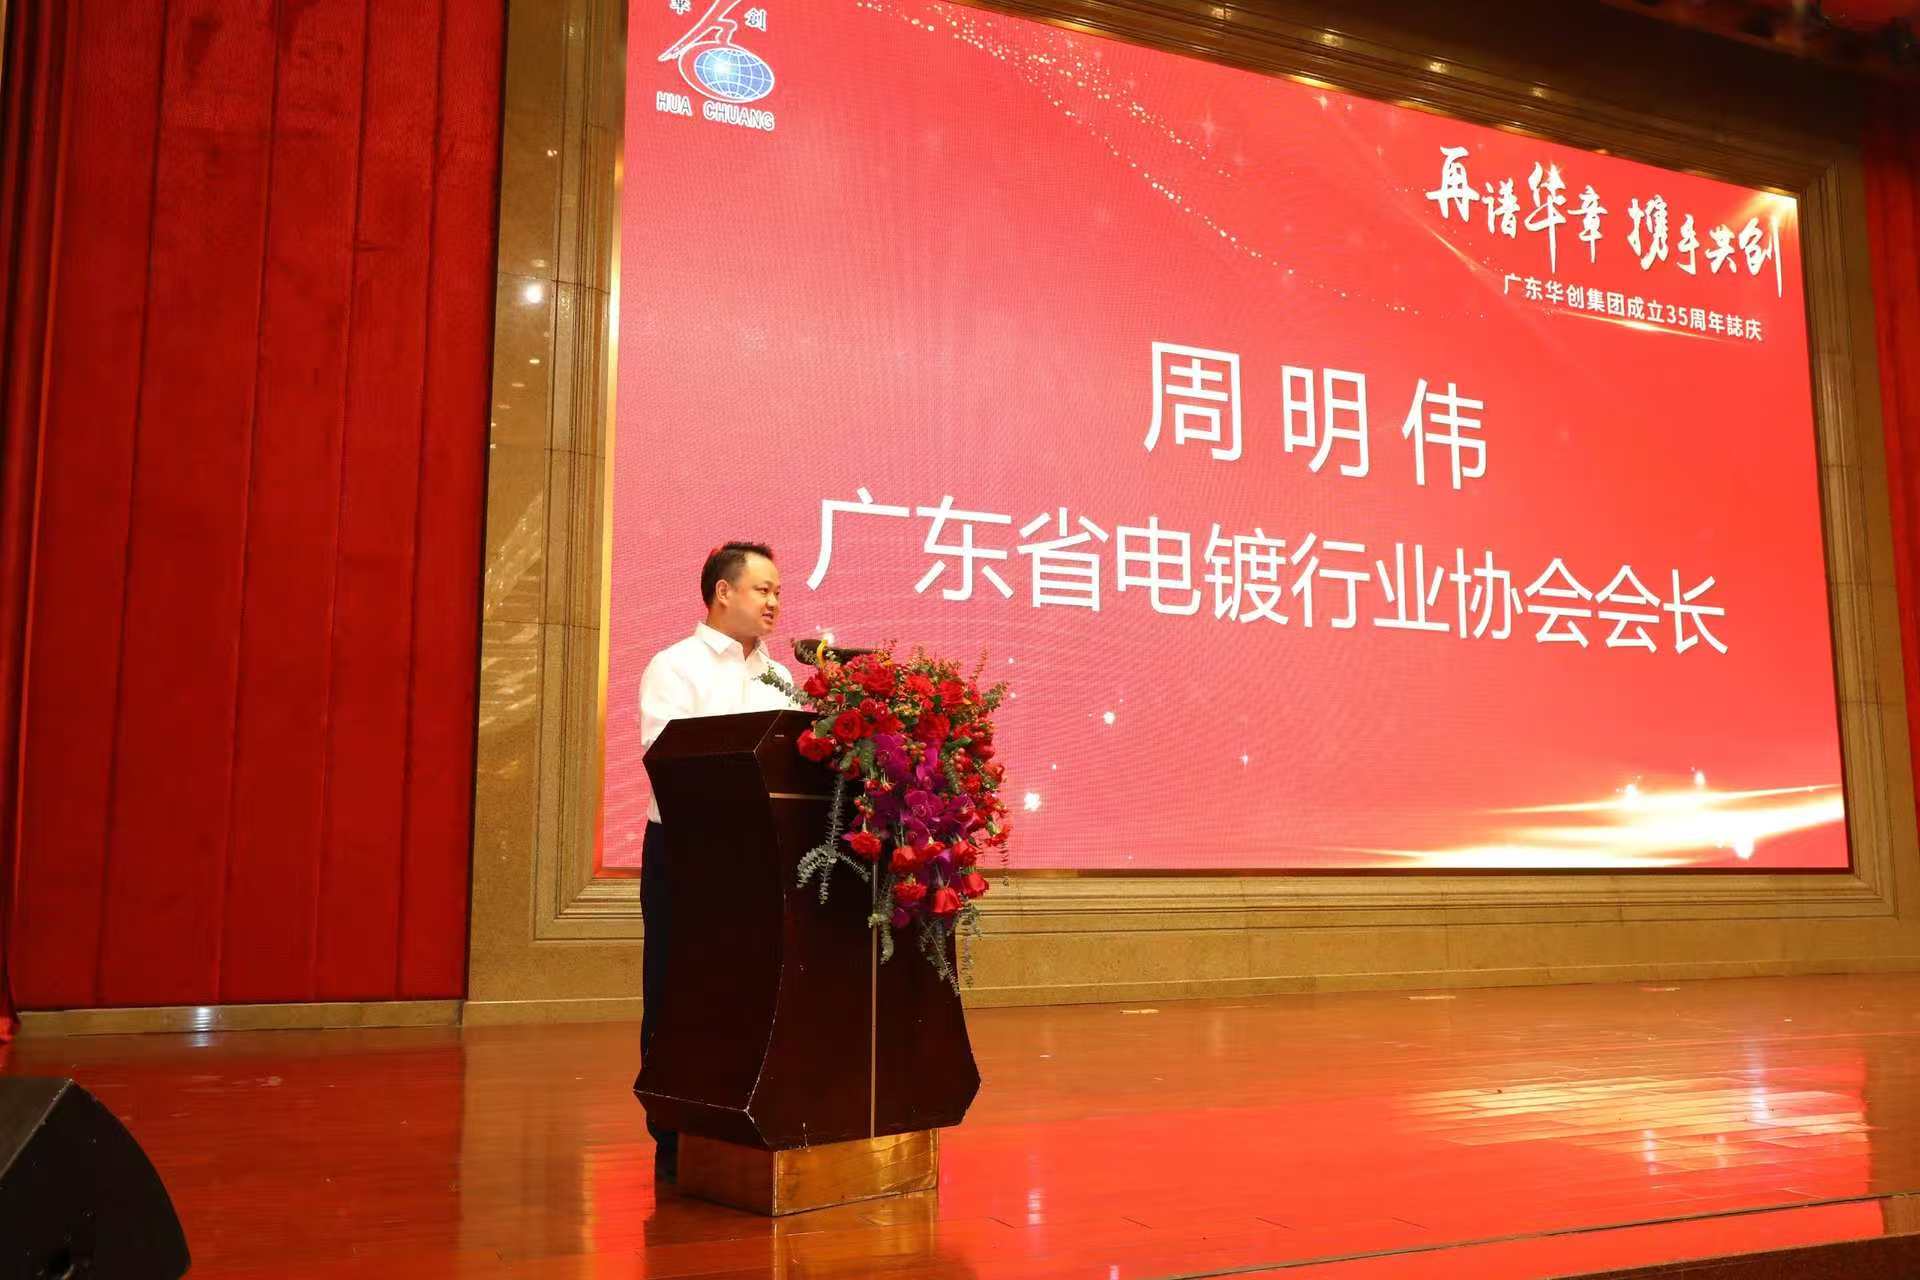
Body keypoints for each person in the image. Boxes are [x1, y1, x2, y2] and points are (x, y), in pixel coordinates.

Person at [634, 541, 799, 1185]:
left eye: (778, 591)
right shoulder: (675, 666)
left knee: (748, 990)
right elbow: (668, 759)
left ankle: (739, 1122)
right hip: (688, 851)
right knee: (680, 990)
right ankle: (674, 1134)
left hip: (759, 856)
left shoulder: (779, 677)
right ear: (723, 592)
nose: (774, 602)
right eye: (763, 589)